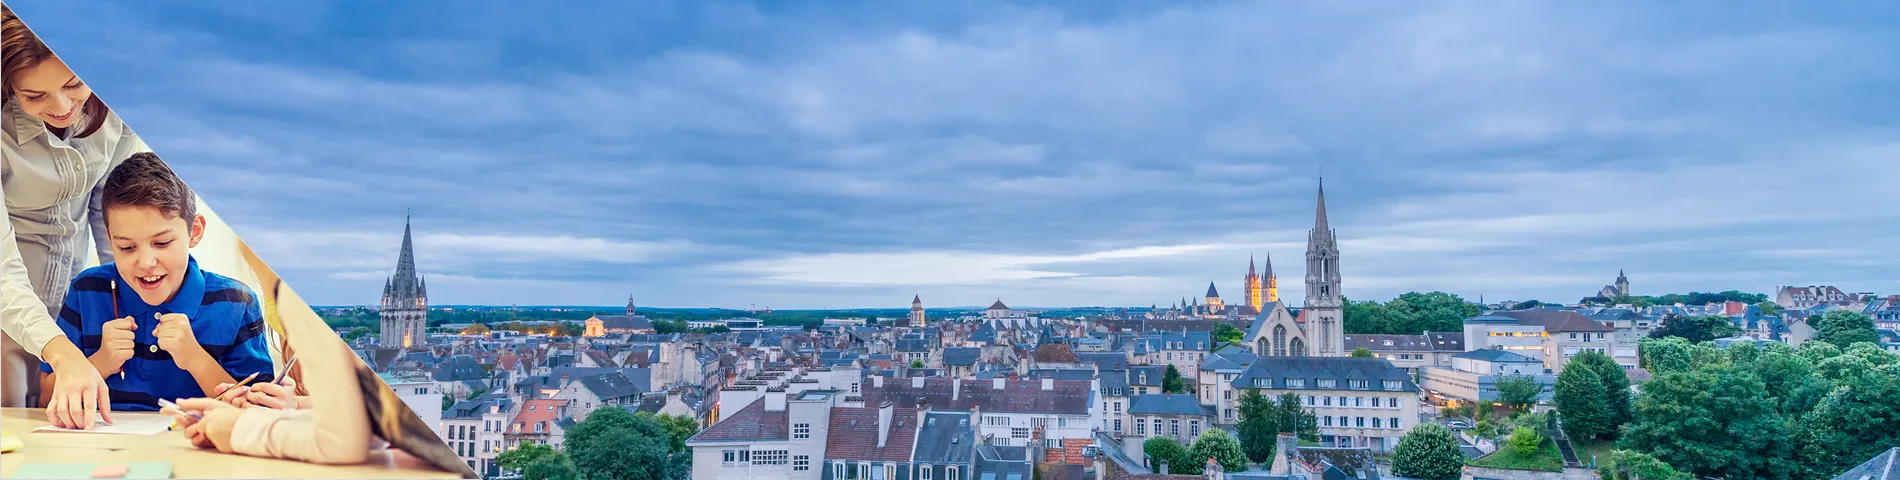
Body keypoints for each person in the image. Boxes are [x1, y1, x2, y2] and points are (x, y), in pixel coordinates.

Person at [37, 152, 273, 410]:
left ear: (194, 232)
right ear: (110, 239)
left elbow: (259, 411)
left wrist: (195, 359)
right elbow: (47, 397)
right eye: (127, 247)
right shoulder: (87, 291)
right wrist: (103, 361)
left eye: (162, 243)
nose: (146, 262)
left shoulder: (237, 302)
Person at [0, 3, 141, 428]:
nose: (62, 106)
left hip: (68, 301)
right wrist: (61, 352)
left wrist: (130, 295)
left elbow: (109, 213)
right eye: (34, 96)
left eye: (74, 83)